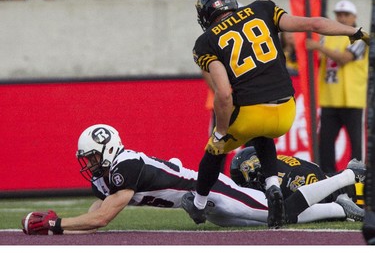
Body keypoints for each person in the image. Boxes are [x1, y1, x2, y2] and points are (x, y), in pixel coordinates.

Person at [182, 0, 369, 229]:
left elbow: (224, 93)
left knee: (214, 149)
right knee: (263, 134)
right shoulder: (262, 8)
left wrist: (221, 132)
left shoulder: (205, 42)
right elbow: (314, 24)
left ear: (206, 14)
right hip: (285, 108)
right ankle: (272, 186)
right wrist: (354, 31)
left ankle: (198, 203)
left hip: (251, 113)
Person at [21, 124, 365, 235]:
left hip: (208, 189)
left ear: (108, 150)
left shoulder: (123, 166)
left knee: (276, 213)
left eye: (93, 157)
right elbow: (98, 209)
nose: (90, 165)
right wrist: (62, 225)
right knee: (270, 222)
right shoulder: (108, 174)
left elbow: (103, 216)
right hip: (204, 207)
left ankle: (347, 174)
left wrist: (57, 224)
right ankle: (338, 209)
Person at [306, 0, 369, 174]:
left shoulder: (362, 37)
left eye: (346, 15)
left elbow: (344, 58)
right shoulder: (328, 38)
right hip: (330, 99)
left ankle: (359, 179)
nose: (342, 18)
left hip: (352, 100)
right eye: (339, 15)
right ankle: (328, 177)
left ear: (354, 17)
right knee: (325, 144)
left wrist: (319, 47)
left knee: (357, 145)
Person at [230, 146, 365, 208]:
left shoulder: (286, 179)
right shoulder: (276, 167)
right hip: (334, 179)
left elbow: (291, 212)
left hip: (352, 190)